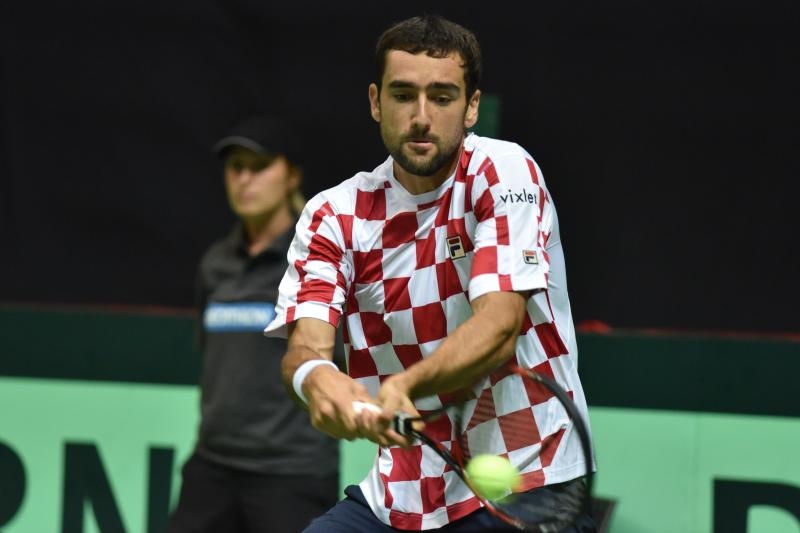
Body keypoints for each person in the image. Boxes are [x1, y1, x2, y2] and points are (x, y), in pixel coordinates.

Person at [265, 15, 596, 532]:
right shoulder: (334, 214)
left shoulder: (502, 172)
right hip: (401, 493)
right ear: (376, 102)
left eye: (441, 97)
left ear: (471, 108)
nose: (421, 116)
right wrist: (319, 381)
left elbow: (500, 327)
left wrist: (406, 388)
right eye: (403, 95)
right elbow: (305, 348)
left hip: (528, 481)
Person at [169, 114, 340, 533]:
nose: (245, 179)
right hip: (212, 467)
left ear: (291, 175)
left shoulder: (318, 260)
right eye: (236, 167)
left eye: (259, 166)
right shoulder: (215, 264)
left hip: (291, 474)